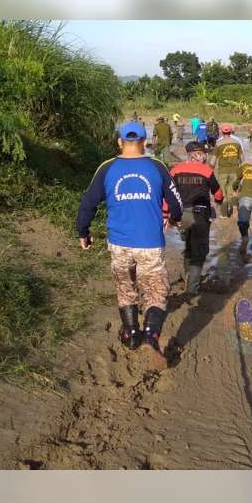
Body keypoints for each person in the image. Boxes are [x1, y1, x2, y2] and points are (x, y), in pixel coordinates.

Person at [76, 120, 183, 358]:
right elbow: (176, 202)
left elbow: (88, 203)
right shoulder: (157, 166)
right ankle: (151, 335)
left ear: (119, 142)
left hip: (119, 243)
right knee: (155, 291)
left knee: (125, 288)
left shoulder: (107, 168)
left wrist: (83, 232)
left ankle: (131, 334)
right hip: (150, 243)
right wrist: (174, 219)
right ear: (145, 142)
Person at [169, 141, 225, 300]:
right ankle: (191, 291)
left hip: (181, 215)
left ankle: (188, 276)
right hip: (200, 215)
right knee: (199, 252)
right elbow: (218, 194)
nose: (205, 156)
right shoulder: (206, 170)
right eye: (203, 153)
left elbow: (168, 193)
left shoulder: (175, 170)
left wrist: (169, 215)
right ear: (198, 154)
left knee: (188, 246)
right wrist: (219, 202)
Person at [210, 123, 244, 218]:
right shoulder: (237, 143)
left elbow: (212, 161)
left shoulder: (218, 144)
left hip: (222, 171)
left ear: (221, 132)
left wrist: (210, 172)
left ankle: (224, 214)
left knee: (223, 192)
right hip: (235, 170)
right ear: (230, 132)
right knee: (232, 191)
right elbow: (242, 159)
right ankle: (234, 209)